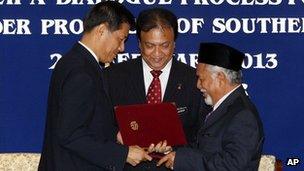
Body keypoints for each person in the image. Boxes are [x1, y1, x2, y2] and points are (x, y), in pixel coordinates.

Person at [38, 1, 152, 170]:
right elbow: (71, 135)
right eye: (121, 39)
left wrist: (117, 135)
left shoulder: (75, 62)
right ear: (101, 30)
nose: (122, 48)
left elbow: (87, 121)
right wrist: (123, 154)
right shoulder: (81, 71)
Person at [103, 8, 209, 171]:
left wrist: (174, 151)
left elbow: (203, 135)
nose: (157, 54)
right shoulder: (113, 77)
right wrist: (120, 140)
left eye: (165, 45)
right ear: (139, 43)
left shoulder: (194, 80)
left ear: (174, 44)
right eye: (150, 46)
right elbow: (99, 127)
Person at [157, 42, 264, 171]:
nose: (198, 85)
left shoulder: (243, 115)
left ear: (220, 78)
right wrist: (172, 150)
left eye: (201, 79)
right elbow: (201, 148)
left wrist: (181, 160)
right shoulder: (219, 107)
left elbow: (232, 165)